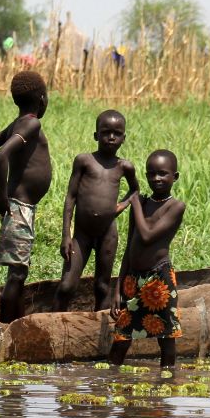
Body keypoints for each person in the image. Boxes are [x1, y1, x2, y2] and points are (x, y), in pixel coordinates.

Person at [0, 71, 52, 322]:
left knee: (18, 273)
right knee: (17, 276)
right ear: (42, 99)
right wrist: (2, 196)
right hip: (19, 207)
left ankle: (17, 326)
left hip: (19, 207)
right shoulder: (31, 123)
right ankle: (6, 330)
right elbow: (0, 155)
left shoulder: (16, 125)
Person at [53, 109, 139, 312]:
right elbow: (71, 197)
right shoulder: (84, 161)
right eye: (105, 132)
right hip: (81, 234)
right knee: (67, 286)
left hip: (107, 233)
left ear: (123, 138)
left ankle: (101, 331)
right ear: (96, 135)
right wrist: (66, 234)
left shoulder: (124, 167)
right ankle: (52, 324)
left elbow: (135, 190)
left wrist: (118, 208)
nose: (111, 137)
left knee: (102, 286)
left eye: (116, 133)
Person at [108, 150, 186, 369]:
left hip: (159, 280)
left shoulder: (176, 207)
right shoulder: (141, 203)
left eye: (162, 174)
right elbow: (130, 246)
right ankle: (108, 383)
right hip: (133, 279)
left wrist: (134, 204)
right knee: (122, 336)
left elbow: (147, 235)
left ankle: (166, 386)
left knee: (166, 338)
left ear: (175, 177)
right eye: (151, 174)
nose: (156, 179)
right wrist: (118, 288)